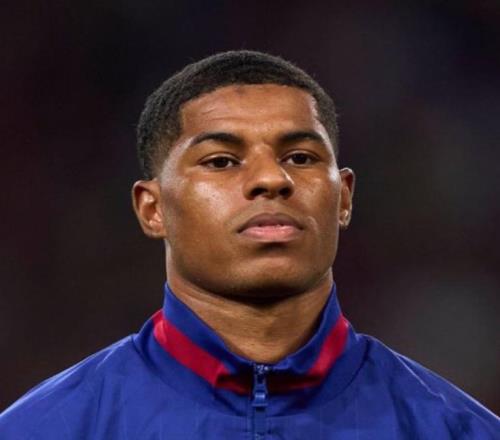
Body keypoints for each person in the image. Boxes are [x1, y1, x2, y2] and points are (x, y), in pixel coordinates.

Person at [0, 50, 498, 439]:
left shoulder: (460, 430)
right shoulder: (40, 430)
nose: (272, 179)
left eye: (300, 157)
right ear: (153, 208)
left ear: (344, 198)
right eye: (221, 161)